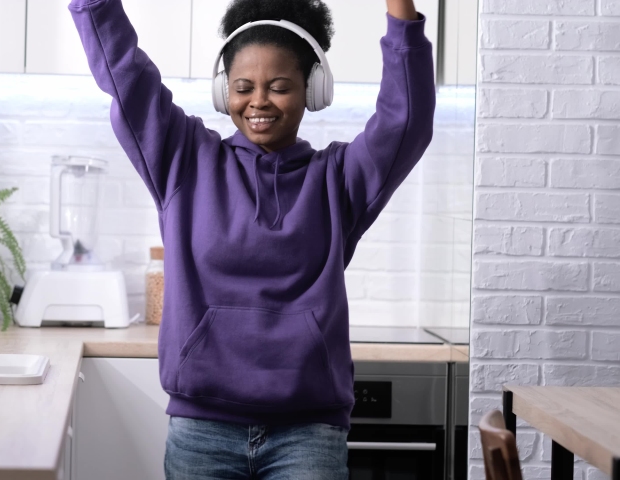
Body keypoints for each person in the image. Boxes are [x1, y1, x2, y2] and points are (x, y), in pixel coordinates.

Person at [70, 0, 434, 477]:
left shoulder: (339, 180)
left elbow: (404, 120)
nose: (259, 101)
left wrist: (400, 11)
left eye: (279, 87)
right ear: (225, 93)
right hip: (202, 432)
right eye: (243, 88)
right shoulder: (185, 161)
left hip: (308, 436)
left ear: (313, 89)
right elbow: (127, 75)